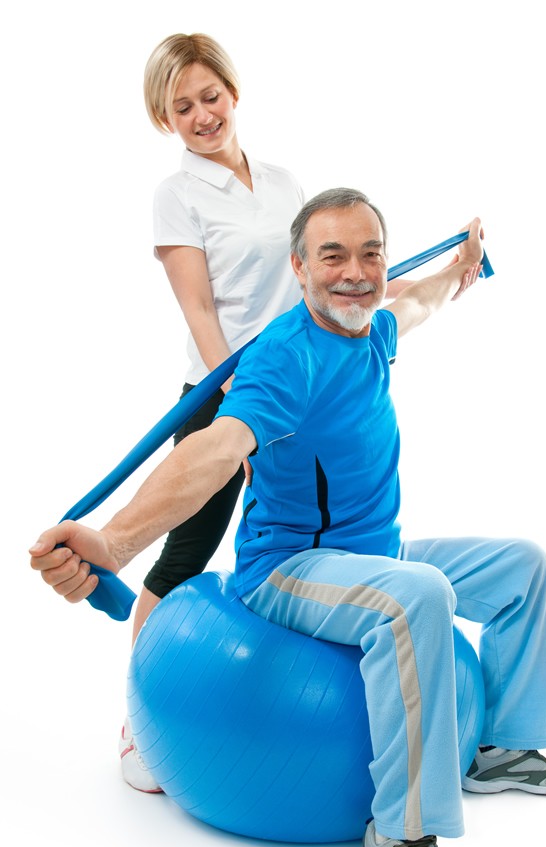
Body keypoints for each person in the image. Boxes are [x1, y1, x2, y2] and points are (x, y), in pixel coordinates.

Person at [30, 188, 546, 847]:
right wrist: (118, 541)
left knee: (522, 567)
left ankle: (500, 746)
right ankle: (399, 844)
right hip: (290, 569)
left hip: (373, 557)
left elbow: (415, 304)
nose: (354, 272)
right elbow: (217, 449)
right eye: (333, 256)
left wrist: (461, 268)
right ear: (299, 268)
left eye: (369, 254)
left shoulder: (372, 331)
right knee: (417, 597)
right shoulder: (285, 357)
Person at [121, 32, 305, 792]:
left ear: (233, 92)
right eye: (182, 107)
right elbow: (199, 307)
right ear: (164, 119)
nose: (202, 115)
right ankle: (137, 724)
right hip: (222, 400)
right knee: (186, 554)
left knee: (295, 551)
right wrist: (234, 399)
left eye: (210, 96)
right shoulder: (179, 195)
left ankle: (285, 710)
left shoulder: (284, 182)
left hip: (294, 400)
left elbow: (313, 285)